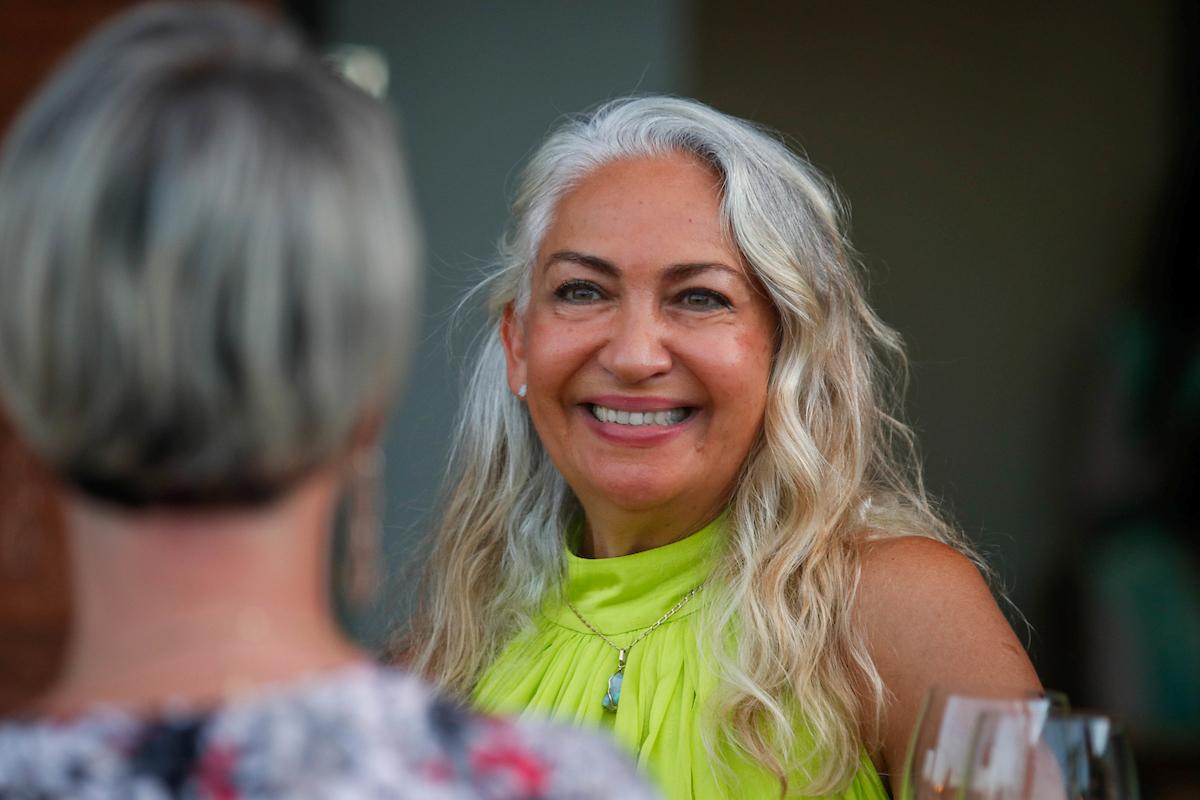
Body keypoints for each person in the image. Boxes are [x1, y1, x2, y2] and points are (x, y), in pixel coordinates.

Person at [0, 5, 653, 798]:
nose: (634, 354)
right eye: (583, 292)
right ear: (370, 393)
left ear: (26, 396)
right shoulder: (553, 784)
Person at [405, 96, 1041, 798]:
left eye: (700, 297)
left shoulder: (900, 610)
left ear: (786, 348)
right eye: (582, 291)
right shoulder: (447, 658)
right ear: (517, 344)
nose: (634, 355)